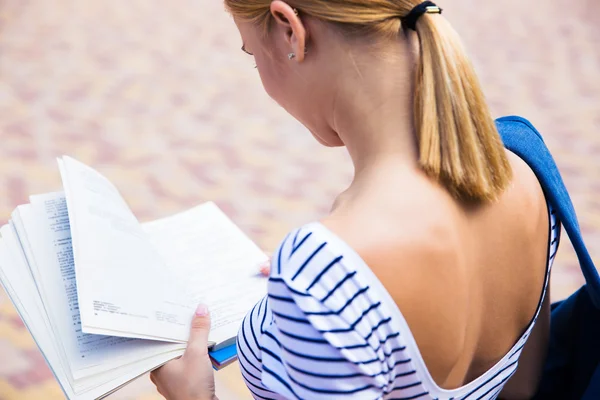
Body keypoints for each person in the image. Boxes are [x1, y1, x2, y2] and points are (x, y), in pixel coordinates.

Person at [150, 1, 560, 399]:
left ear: (289, 28)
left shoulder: (327, 269)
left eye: (253, 54)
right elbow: (523, 387)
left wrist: (192, 396)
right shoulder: (522, 168)